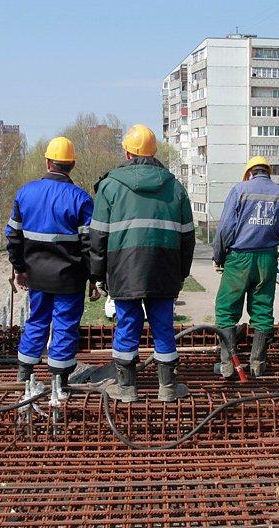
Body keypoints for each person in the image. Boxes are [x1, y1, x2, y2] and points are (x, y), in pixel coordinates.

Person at [89, 124, 195, 403]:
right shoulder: (174, 186)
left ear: (127, 152)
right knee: (163, 325)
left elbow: (97, 235)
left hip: (124, 269)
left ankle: (127, 389)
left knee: (127, 325)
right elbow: (187, 237)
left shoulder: (110, 186)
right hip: (164, 269)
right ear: (154, 152)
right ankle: (168, 388)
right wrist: (181, 273)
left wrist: (98, 274)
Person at [5, 137, 97, 387]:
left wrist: (20, 268)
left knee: (36, 320)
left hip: (36, 276)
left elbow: (13, 237)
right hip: (69, 278)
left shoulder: (25, 193)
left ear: (47, 162)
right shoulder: (81, 199)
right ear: (72, 165)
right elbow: (90, 245)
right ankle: (59, 380)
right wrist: (92, 276)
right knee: (65, 325)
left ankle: (24, 373)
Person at [213, 156, 279, 378]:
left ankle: (228, 365)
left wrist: (219, 255)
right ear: (268, 172)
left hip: (239, 257)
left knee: (226, 310)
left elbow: (225, 228)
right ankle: (258, 363)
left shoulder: (240, 190)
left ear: (249, 173)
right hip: (267, 258)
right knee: (263, 309)